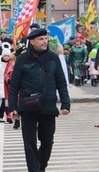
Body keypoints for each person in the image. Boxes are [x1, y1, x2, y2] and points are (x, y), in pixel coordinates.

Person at [9, 28, 70, 172]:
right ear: (32, 41)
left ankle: (41, 167)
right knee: (29, 142)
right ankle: (34, 170)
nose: (44, 41)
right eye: (41, 39)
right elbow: (14, 85)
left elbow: (61, 82)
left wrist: (65, 104)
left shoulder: (53, 58)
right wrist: (12, 107)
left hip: (48, 106)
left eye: (45, 38)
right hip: (28, 106)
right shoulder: (22, 59)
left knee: (47, 141)